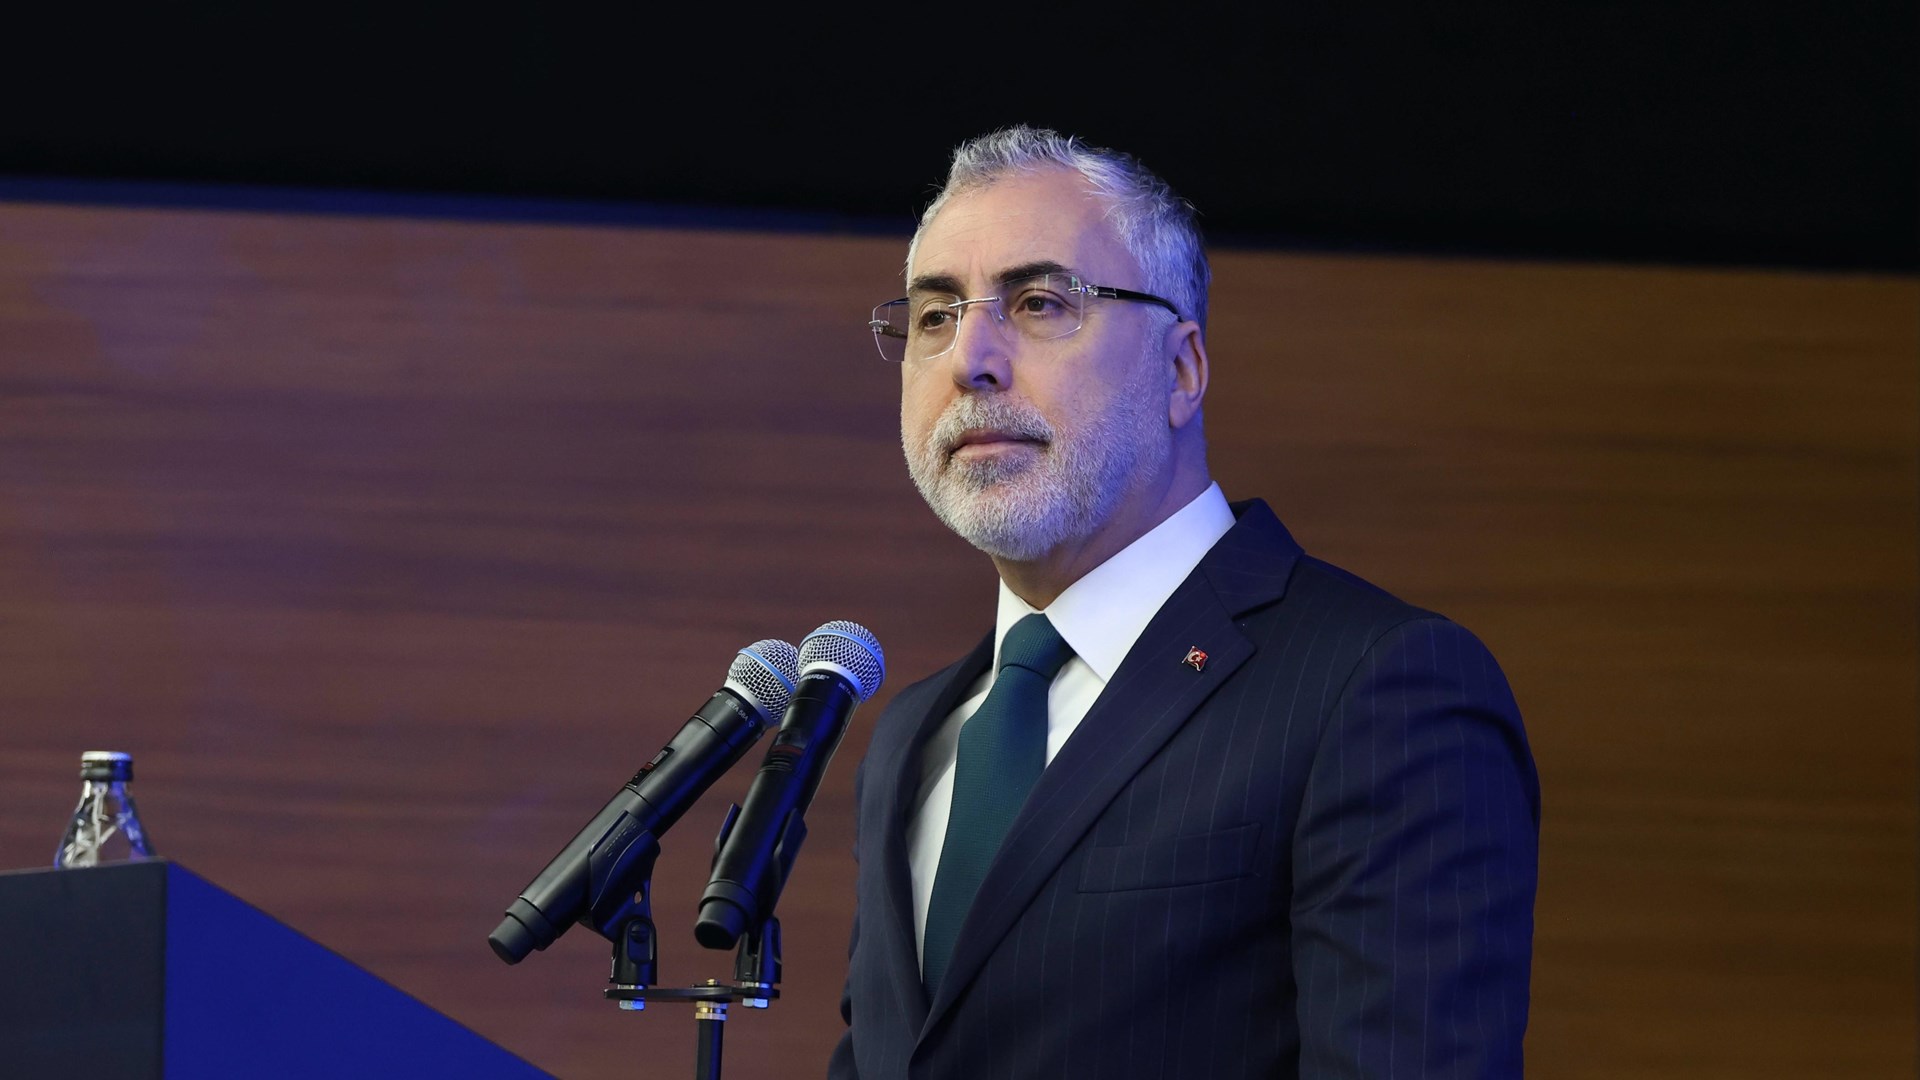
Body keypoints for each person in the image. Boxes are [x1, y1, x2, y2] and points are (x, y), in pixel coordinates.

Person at [830, 126, 1540, 1080]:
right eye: (933, 316)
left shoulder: (1376, 691)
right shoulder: (910, 735)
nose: (971, 359)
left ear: (1181, 370)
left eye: (1039, 303)